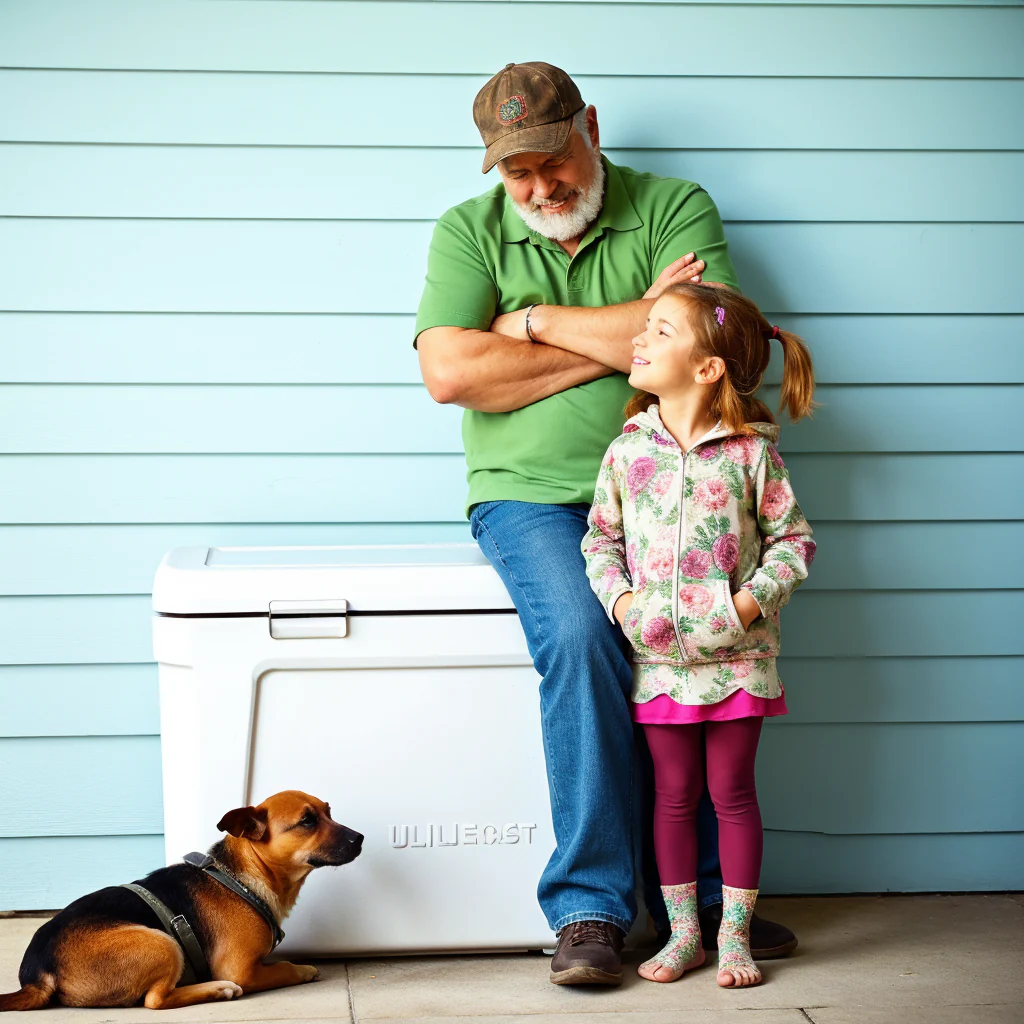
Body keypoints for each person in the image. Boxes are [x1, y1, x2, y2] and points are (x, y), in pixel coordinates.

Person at [415, 60, 797, 985]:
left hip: (687, 483)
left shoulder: (674, 205)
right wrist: (636, 343)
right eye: (518, 173)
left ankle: (706, 900)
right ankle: (589, 908)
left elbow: (717, 343)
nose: (541, 187)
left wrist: (534, 323)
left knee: (703, 641)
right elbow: (452, 375)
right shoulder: (468, 232)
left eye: (554, 159)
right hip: (532, 495)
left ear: (591, 124)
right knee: (588, 636)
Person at [581, 282, 816, 987]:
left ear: (707, 367)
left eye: (657, 331)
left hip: (740, 658)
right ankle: (683, 936)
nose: (638, 340)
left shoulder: (750, 455)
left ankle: (734, 938)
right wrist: (623, 606)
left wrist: (746, 605)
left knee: (732, 794)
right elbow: (600, 540)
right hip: (658, 660)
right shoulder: (627, 453)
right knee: (673, 798)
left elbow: (793, 543)